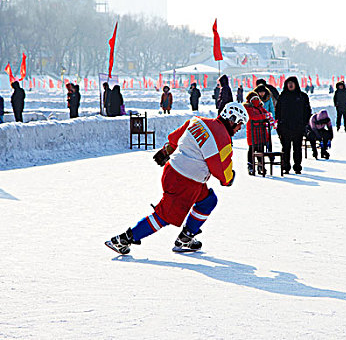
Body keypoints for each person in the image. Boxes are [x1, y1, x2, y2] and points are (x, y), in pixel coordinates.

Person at [106, 102, 249, 254]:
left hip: (174, 172)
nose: (240, 128)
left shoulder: (198, 121)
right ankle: (124, 239)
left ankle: (186, 237)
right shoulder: (223, 139)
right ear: (232, 119)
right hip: (186, 182)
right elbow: (221, 171)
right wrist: (229, 177)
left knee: (208, 201)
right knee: (164, 216)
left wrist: (166, 150)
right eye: (240, 124)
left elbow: (175, 137)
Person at [275, 76, 311, 174]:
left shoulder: (302, 96)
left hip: (298, 126)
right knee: (285, 148)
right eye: (288, 83)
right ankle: (286, 166)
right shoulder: (282, 96)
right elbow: (277, 111)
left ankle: (297, 166)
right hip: (285, 126)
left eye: (292, 83)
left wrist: (305, 123)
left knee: (297, 148)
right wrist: (279, 124)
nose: (290, 85)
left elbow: (307, 111)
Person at [243, 94, 272, 175]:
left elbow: (267, 114)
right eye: (254, 98)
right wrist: (264, 116)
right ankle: (251, 165)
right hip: (253, 132)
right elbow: (253, 117)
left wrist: (267, 116)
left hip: (261, 132)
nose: (256, 100)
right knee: (252, 148)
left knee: (260, 148)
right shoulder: (248, 108)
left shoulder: (260, 107)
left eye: (257, 98)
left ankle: (260, 165)